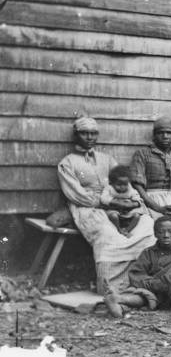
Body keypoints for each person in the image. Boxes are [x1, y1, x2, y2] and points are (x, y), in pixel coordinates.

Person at [57, 117, 155, 294]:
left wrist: (133, 202)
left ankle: (143, 281)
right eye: (84, 133)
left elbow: (125, 183)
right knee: (108, 235)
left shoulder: (107, 160)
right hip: (88, 208)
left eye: (93, 133)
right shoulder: (67, 163)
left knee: (147, 226)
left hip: (118, 205)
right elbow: (75, 194)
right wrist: (106, 203)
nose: (89, 137)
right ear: (76, 135)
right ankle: (113, 288)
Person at [100, 165, 146, 236]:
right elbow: (103, 198)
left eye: (125, 184)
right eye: (119, 184)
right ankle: (119, 229)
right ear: (112, 183)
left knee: (137, 216)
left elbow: (136, 195)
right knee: (113, 216)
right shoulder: (109, 188)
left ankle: (127, 230)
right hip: (115, 209)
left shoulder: (129, 189)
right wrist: (115, 202)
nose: (122, 187)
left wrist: (134, 203)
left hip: (128, 210)